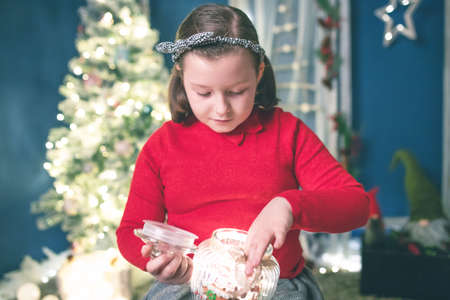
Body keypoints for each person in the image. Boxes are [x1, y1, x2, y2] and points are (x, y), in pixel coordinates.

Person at [116, 3, 369, 300]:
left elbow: (356, 205)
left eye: (237, 91)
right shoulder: (162, 146)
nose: (222, 108)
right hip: (189, 280)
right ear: (182, 76)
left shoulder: (288, 133)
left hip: (274, 286)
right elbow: (132, 229)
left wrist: (289, 206)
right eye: (204, 92)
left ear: (259, 73)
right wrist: (161, 260)